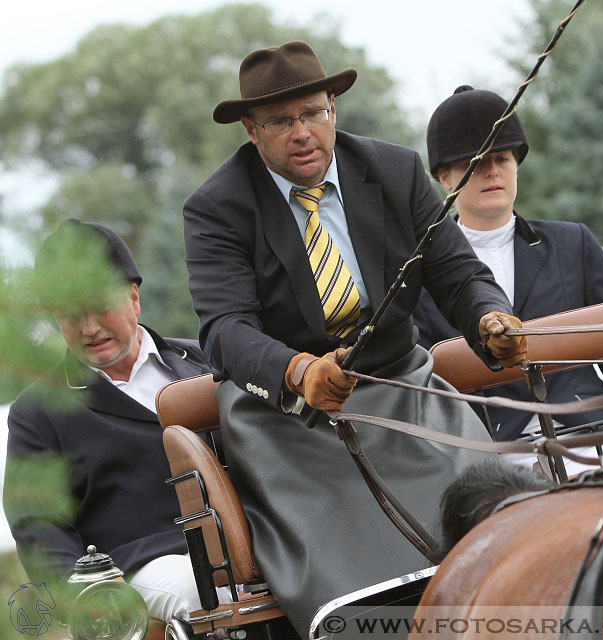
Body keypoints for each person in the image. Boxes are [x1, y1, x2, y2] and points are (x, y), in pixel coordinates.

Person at [182, 41, 526, 637]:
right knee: (354, 578)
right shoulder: (217, 208)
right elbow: (224, 331)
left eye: (313, 113)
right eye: (281, 122)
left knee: (500, 526)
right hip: (286, 420)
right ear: (250, 129)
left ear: (333, 109)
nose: (302, 132)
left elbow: (459, 275)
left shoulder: (394, 171)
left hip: (404, 387)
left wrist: (491, 320)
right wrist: (298, 373)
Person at [415, 86, 603, 474]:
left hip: (596, 431)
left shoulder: (570, 241)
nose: (493, 171)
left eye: (503, 159)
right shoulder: (425, 273)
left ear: (516, 165)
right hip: (497, 450)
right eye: (476, 163)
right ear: (445, 176)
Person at [3, 220, 227, 624]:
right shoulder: (37, 412)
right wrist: (84, 591)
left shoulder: (208, 364)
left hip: (251, 539)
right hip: (142, 566)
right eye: (71, 316)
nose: (89, 328)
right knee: (197, 588)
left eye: (100, 307)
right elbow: (38, 525)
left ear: (134, 297)